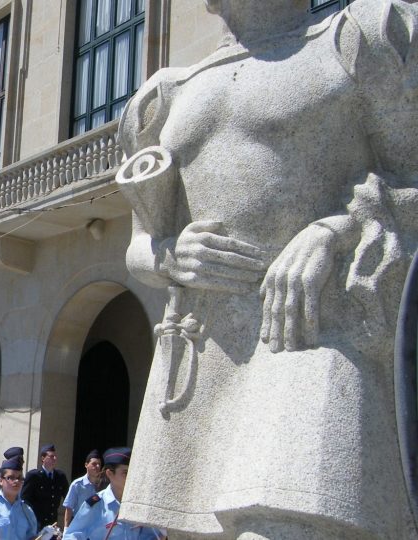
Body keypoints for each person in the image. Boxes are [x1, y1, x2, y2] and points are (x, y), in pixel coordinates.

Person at [115, 1, 418, 537]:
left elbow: (411, 178)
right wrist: (168, 254)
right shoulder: (165, 95)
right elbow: (138, 245)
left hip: (314, 331)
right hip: (202, 355)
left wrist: (337, 231)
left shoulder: (360, 40)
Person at [63, 448, 163, 540]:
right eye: (125, 473)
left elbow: (153, 535)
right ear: (110, 474)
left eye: (133, 473)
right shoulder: (97, 504)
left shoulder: (139, 504)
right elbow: (71, 535)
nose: (131, 478)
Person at [20, 444, 68, 531]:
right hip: (36, 523)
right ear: (43, 458)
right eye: (51, 456)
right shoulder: (34, 476)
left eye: (55, 456)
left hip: (52, 523)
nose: (54, 459)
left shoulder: (60, 476)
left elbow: (68, 498)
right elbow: (24, 499)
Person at [63, 450, 104, 528]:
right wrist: (66, 528)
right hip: (79, 526)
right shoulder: (77, 484)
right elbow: (69, 508)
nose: (97, 467)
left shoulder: (103, 485)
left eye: (99, 464)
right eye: (94, 464)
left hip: (97, 527)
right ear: (86, 465)